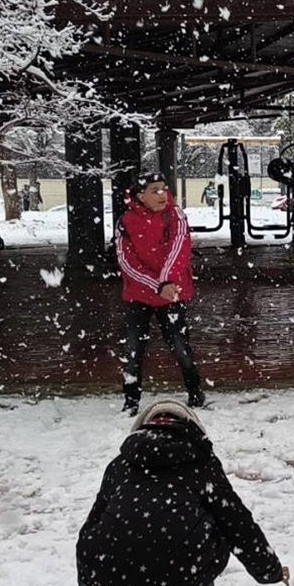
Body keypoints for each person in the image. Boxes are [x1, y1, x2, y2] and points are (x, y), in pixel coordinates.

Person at [76, 400, 289, 586]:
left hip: (122, 572)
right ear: (191, 428)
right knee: (198, 547)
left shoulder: (121, 465)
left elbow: (91, 532)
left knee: (127, 553)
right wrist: (269, 570)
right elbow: (236, 522)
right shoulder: (202, 464)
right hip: (183, 569)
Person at [116, 172, 205, 415]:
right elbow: (127, 261)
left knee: (179, 344)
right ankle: (131, 398)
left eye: (164, 189)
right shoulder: (126, 222)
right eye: (154, 190)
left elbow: (179, 249)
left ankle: (195, 390)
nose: (161, 195)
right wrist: (157, 284)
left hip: (172, 293)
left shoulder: (175, 215)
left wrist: (167, 282)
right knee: (133, 348)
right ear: (140, 196)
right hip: (140, 294)